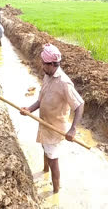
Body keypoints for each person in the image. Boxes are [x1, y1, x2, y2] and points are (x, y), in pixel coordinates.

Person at [20, 43, 84, 193]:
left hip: (55, 129)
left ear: (52, 64)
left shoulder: (64, 83)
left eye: (44, 63)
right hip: (44, 124)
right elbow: (41, 100)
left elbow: (80, 105)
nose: (42, 66)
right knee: (45, 149)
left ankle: (55, 192)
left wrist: (73, 129)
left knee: (53, 160)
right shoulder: (48, 76)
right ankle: (44, 171)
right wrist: (29, 109)